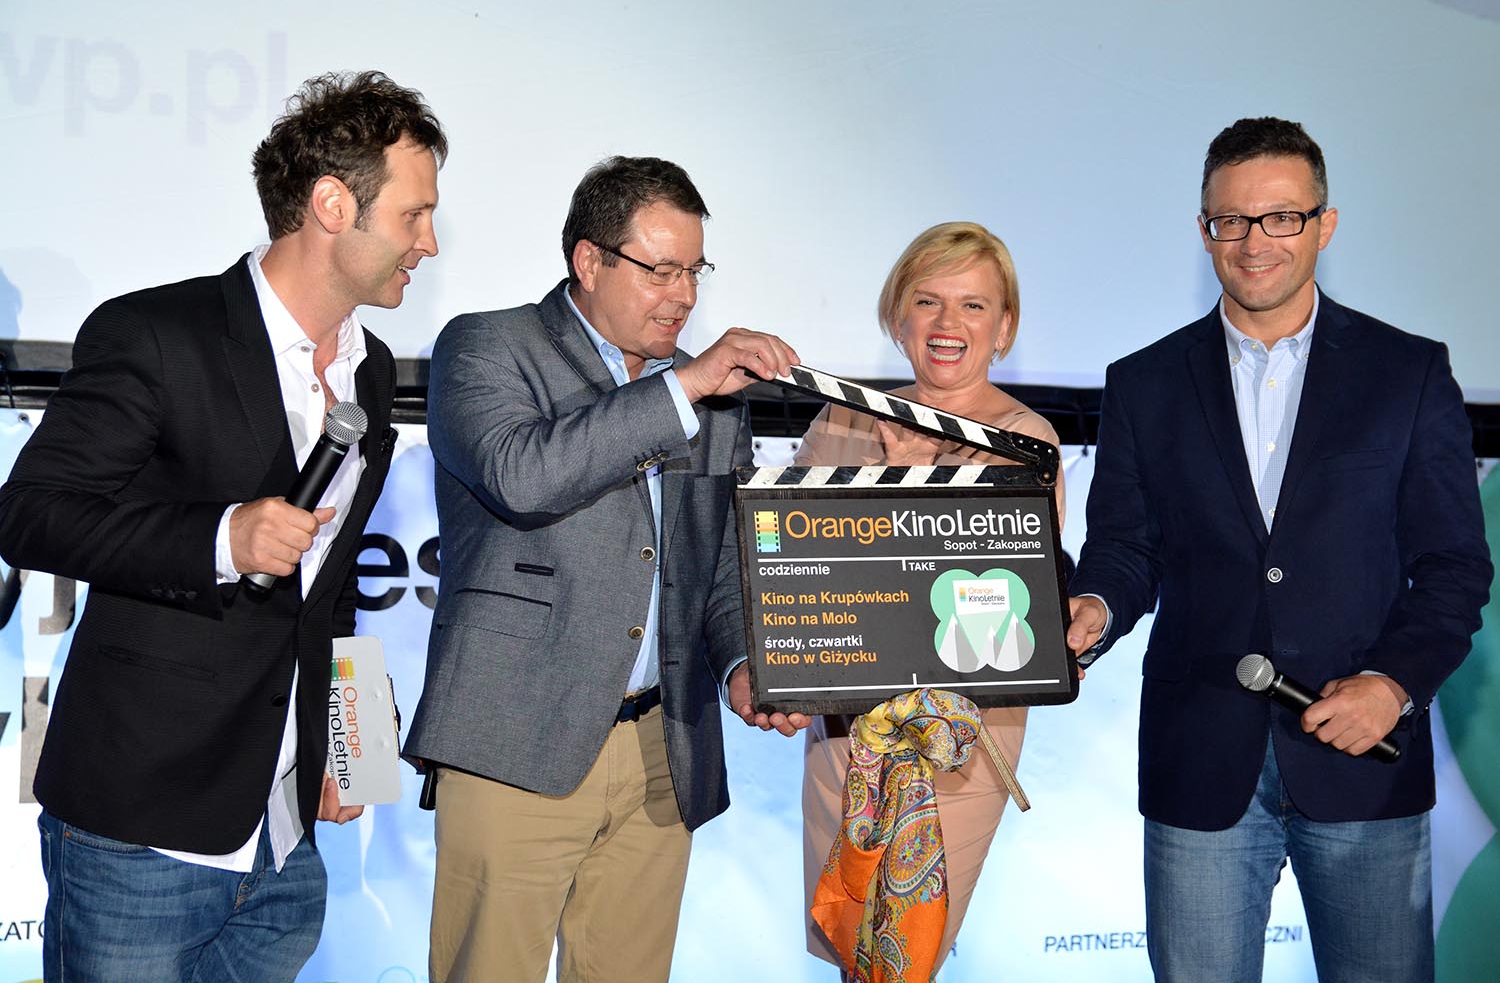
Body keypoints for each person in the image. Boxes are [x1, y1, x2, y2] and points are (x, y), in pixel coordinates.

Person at [0, 70, 446, 981]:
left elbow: (332, 590)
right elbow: (31, 514)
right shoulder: (159, 333)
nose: (429, 243)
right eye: (414, 215)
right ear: (333, 205)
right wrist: (220, 539)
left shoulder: (367, 370)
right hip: (140, 835)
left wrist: (352, 751)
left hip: (285, 840)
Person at [1065, 117, 1491, 982]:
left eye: (1282, 217)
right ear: (1205, 231)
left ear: (1324, 225)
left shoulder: (1409, 373)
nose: (1255, 242)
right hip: (1198, 758)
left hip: (1363, 756)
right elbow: (1125, 547)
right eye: (1232, 220)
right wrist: (1096, 607)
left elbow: (1454, 569)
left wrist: (1392, 685)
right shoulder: (1143, 383)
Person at [403, 155, 809, 983]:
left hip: (664, 747)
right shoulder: (487, 345)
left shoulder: (708, 395)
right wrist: (682, 389)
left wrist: (743, 664)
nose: (684, 295)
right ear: (589, 261)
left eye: (695, 271)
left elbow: (717, 566)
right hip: (515, 740)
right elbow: (524, 478)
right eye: (662, 270)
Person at [797, 221, 1064, 976]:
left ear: (1003, 327)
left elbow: (981, 606)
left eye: (974, 305)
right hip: (846, 737)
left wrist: (908, 481)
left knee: (910, 956)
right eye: (928, 301)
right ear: (898, 317)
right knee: (852, 948)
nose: (948, 323)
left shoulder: (1024, 441)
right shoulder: (843, 417)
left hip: (959, 744)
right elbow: (788, 564)